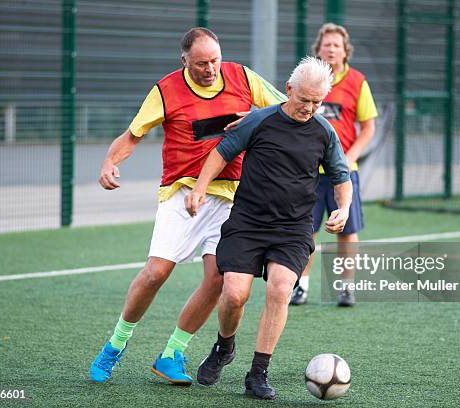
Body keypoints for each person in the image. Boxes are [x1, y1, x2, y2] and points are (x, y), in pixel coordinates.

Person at [90, 27, 286, 385]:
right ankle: (115, 345)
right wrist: (109, 162)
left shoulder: (242, 76)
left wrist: (255, 118)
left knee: (218, 277)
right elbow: (133, 135)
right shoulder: (165, 90)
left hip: (232, 196)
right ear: (184, 61)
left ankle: (171, 354)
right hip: (182, 193)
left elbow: (283, 109)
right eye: (201, 64)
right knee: (156, 273)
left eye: (215, 60)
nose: (211, 69)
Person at [185, 57, 352, 399]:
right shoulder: (260, 121)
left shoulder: (324, 132)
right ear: (289, 89)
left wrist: (344, 208)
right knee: (234, 294)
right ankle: (224, 347)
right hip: (247, 223)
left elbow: (340, 177)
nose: (309, 108)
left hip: (292, 228)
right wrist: (200, 187)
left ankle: (258, 373)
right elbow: (221, 153)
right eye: (304, 99)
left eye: (317, 102)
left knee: (279, 290)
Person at [290, 23, 378, 307]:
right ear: (318, 49)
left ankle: (346, 287)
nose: (331, 49)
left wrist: (348, 159)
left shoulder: (357, 82)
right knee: (306, 231)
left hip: (343, 175)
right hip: (308, 173)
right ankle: (300, 286)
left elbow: (367, 128)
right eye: (326, 44)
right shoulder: (305, 79)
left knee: (347, 232)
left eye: (336, 45)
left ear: (345, 50)